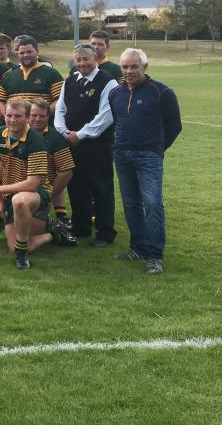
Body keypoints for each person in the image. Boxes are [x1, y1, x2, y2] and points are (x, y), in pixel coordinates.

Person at [108, 48, 182, 275]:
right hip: (122, 156)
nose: (129, 71)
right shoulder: (115, 93)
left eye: (134, 66)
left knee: (152, 205)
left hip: (149, 157)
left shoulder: (161, 92)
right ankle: (137, 247)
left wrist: (158, 149)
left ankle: (154, 256)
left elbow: (174, 126)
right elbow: (117, 121)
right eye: (125, 67)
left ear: (144, 67)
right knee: (131, 205)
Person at [0, 98, 69, 269]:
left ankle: (25, 252)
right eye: (9, 115)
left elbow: (32, 184)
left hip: (35, 193)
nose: (12, 120)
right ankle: (43, 232)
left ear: (26, 118)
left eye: (18, 116)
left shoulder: (36, 140)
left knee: (19, 201)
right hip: (10, 191)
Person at [54, 44, 119, 246]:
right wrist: (64, 131)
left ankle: (105, 233)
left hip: (97, 145)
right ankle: (81, 227)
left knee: (101, 189)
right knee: (76, 186)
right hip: (71, 143)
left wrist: (80, 135)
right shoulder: (70, 81)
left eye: (86, 59)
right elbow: (60, 110)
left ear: (96, 59)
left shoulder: (108, 82)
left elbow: (105, 116)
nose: (82, 63)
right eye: (78, 60)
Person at [30, 99, 77, 245]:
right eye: (34, 115)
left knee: (30, 231)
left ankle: (56, 229)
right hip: (18, 186)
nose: (37, 119)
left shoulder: (55, 138)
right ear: (27, 115)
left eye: (42, 116)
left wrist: (48, 195)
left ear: (48, 117)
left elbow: (67, 172)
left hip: (41, 189)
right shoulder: (18, 132)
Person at [0, 35, 63, 115]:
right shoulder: (9, 75)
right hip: (15, 125)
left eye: (29, 52)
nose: (25, 55)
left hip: (42, 125)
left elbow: (60, 100)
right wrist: (9, 117)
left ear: (37, 51)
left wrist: (42, 115)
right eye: (22, 53)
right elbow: (1, 101)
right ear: (18, 54)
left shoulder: (51, 73)